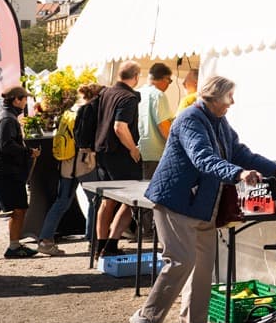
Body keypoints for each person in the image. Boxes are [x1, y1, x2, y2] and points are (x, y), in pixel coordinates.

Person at [129, 75, 276, 323]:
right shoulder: (190, 119)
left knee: (203, 269)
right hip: (176, 202)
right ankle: (146, 317)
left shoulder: (218, 120)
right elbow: (203, 159)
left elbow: (239, 152)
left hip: (203, 205)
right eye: (230, 96)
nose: (233, 102)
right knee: (181, 261)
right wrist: (238, 174)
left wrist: (273, 168)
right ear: (214, 97)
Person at [36, 84, 103, 255]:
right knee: (95, 201)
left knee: (62, 201)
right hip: (83, 162)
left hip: (67, 162)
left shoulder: (69, 112)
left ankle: (45, 240)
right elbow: (86, 139)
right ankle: (92, 241)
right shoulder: (88, 111)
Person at [94, 61, 143, 256]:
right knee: (131, 200)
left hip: (103, 152)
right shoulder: (128, 97)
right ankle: (112, 245)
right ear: (137, 76)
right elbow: (119, 127)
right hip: (121, 154)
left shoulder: (106, 92)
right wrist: (133, 149)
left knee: (107, 200)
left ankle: (101, 246)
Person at [0, 86, 41, 259]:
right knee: (19, 208)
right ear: (16, 100)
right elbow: (5, 145)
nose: (25, 103)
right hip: (6, 172)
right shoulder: (7, 118)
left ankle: (14, 246)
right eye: (24, 99)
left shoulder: (2, 114)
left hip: (0, 170)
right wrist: (28, 152)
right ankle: (14, 247)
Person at [137, 62, 175, 180]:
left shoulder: (137, 92)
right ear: (164, 79)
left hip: (137, 151)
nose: (169, 85)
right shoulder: (158, 95)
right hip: (155, 153)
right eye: (170, 81)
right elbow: (163, 126)